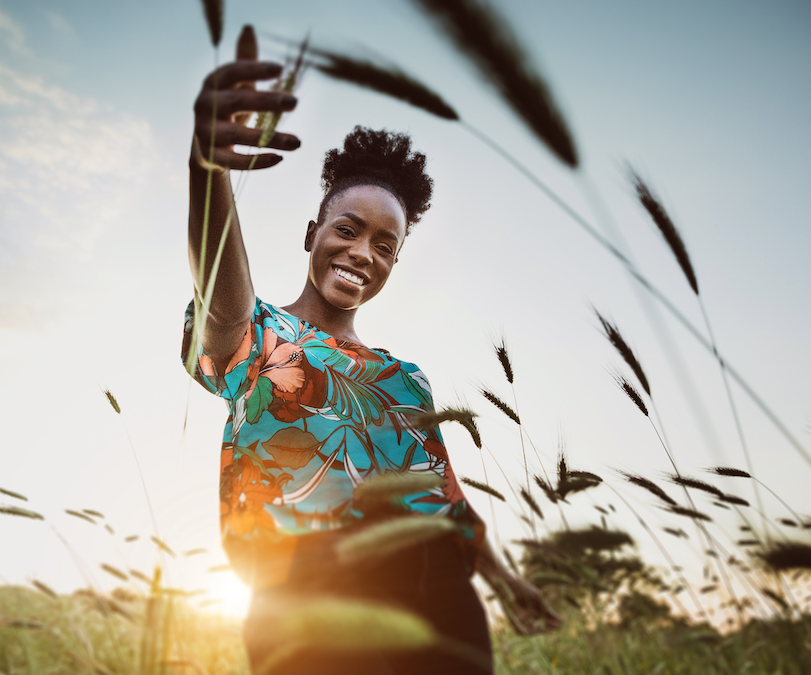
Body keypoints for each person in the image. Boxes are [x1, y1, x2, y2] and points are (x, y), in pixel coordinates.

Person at [182, 31, 560, 675]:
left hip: (436, 594)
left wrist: (500, 581)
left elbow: (441, 491)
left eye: (386, 245)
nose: (363, 253)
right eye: (348, 230)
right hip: (300, 590)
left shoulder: (405, 379)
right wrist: (206, 167)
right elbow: (221, 298)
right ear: (313, 234)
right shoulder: (256, 334)